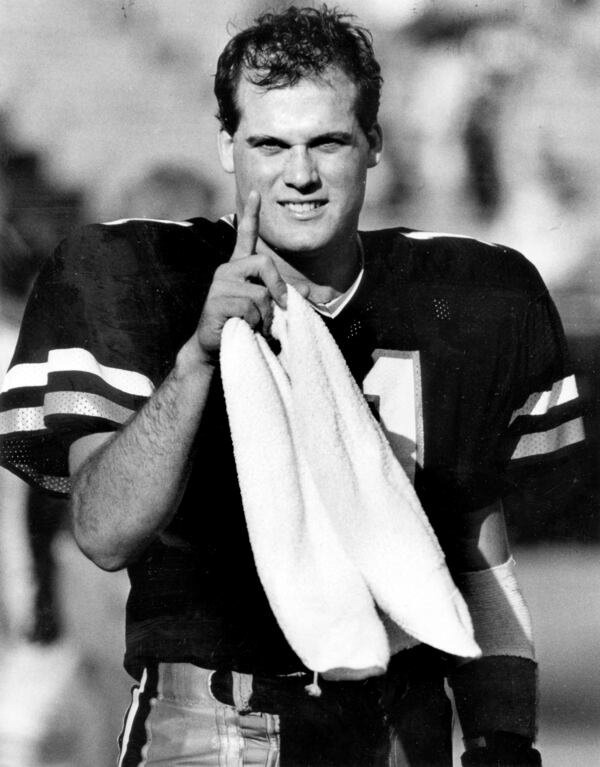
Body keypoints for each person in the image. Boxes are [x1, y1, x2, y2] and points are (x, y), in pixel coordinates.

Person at [0, 6, 585, 766]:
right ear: (226, 146)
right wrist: (197, 358)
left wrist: (504, 739)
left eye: (328, 141)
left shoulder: (467, 296)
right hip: (216, 722)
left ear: (374, 143)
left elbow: (479, 562)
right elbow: (106, 534)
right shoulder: (140, 278)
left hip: (403, 727)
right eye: (270, 144)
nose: (299, 174)